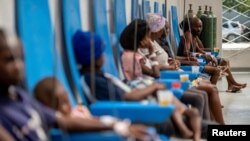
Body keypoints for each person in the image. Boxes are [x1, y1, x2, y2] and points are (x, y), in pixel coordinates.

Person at [0, 29, 149, 141]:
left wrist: (117, 126)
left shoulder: (21, 98)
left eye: (21, 59)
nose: (18, 66)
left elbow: (63, 121)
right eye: (9, 60)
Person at [72, 28, 221, 141]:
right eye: (102, 52)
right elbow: (128, 96)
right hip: (143, 115)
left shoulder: (98, 76)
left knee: (200, 122)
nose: (104, 56)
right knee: (204, 127)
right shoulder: (92, 79)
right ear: (95, 56)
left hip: (146, 108)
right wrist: (154, 88)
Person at [178, 17, 246, 92]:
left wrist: (210, 56)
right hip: (189, 63)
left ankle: (231, 84)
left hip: (196, 60)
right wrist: (202, 55)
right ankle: (215, 90)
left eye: (200, 26)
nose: (199, 29)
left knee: (225, 61)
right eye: (196, 27)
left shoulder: (193, 35)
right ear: (190, 27)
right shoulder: (188, 35)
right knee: (220, 66)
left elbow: (200, 48)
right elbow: (186, 52)